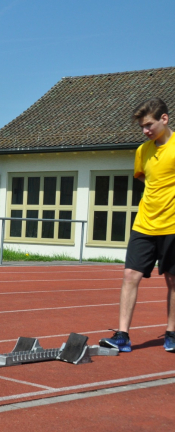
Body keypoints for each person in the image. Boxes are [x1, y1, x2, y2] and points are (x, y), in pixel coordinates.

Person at [101, 98, 175, 353]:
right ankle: (122, 335)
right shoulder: (142, 151)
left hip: (173, 225)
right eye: (142, 126)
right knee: (130, 275)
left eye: (149, 125)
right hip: (144, 223)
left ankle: (171, 333)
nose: (145, 131)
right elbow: (147, 180)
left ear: (164, 119)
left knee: (173, 280)